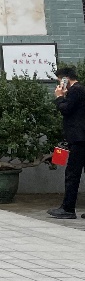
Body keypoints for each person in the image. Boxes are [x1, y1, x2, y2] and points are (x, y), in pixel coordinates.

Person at [49, 67, 85, 219]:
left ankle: (68, 208)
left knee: (72, 174)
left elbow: (66, 109)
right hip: (81, 137)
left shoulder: (75, 90)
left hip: (79, 139)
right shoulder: (81, 89)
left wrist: (59, 97)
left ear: (66, 79)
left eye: (60, 81)